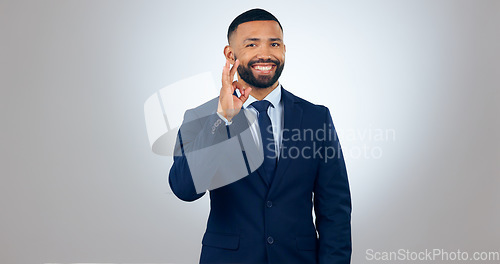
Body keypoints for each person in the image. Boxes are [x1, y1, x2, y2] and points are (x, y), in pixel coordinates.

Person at [169, 8, 351, 264]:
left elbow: (335, 210)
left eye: (274, 44)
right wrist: (222, 119)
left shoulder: (316, 117)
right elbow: (185, 188)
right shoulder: (202, 118)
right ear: (230, 54)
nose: (265, 54)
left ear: (284, 50)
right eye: (252, 44)